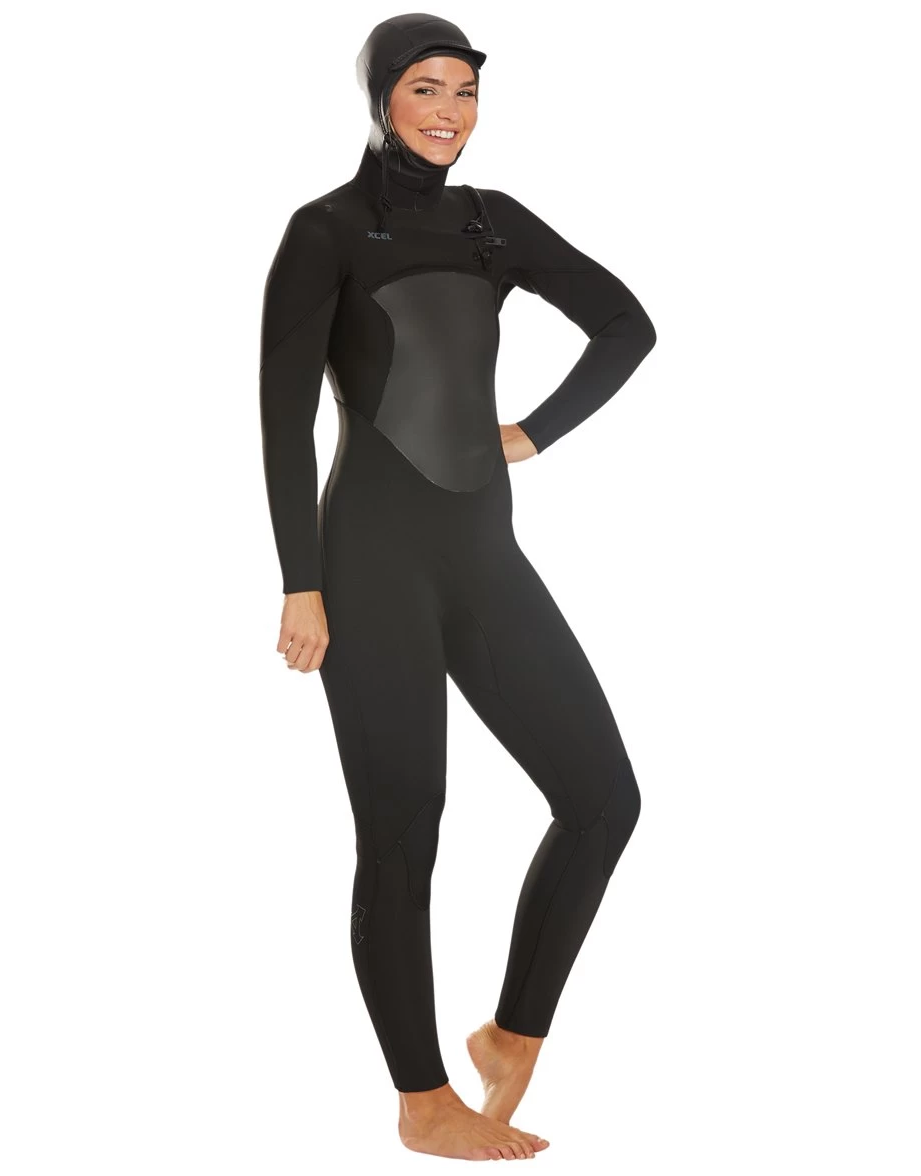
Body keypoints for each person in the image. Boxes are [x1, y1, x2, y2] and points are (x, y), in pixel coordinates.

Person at [259, 12, 656, 1162]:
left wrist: (534, 431)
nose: (449, 111)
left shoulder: (493, 224)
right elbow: (282, 417)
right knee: (402, 833)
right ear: (381, 94)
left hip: (486, 559)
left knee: (603, 800)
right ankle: (421, 1098)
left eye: (467, 91)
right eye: (426, 87)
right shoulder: (326, 230)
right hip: (368, 567)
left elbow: (627, 326)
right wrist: (300, 583)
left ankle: (510, 1034)